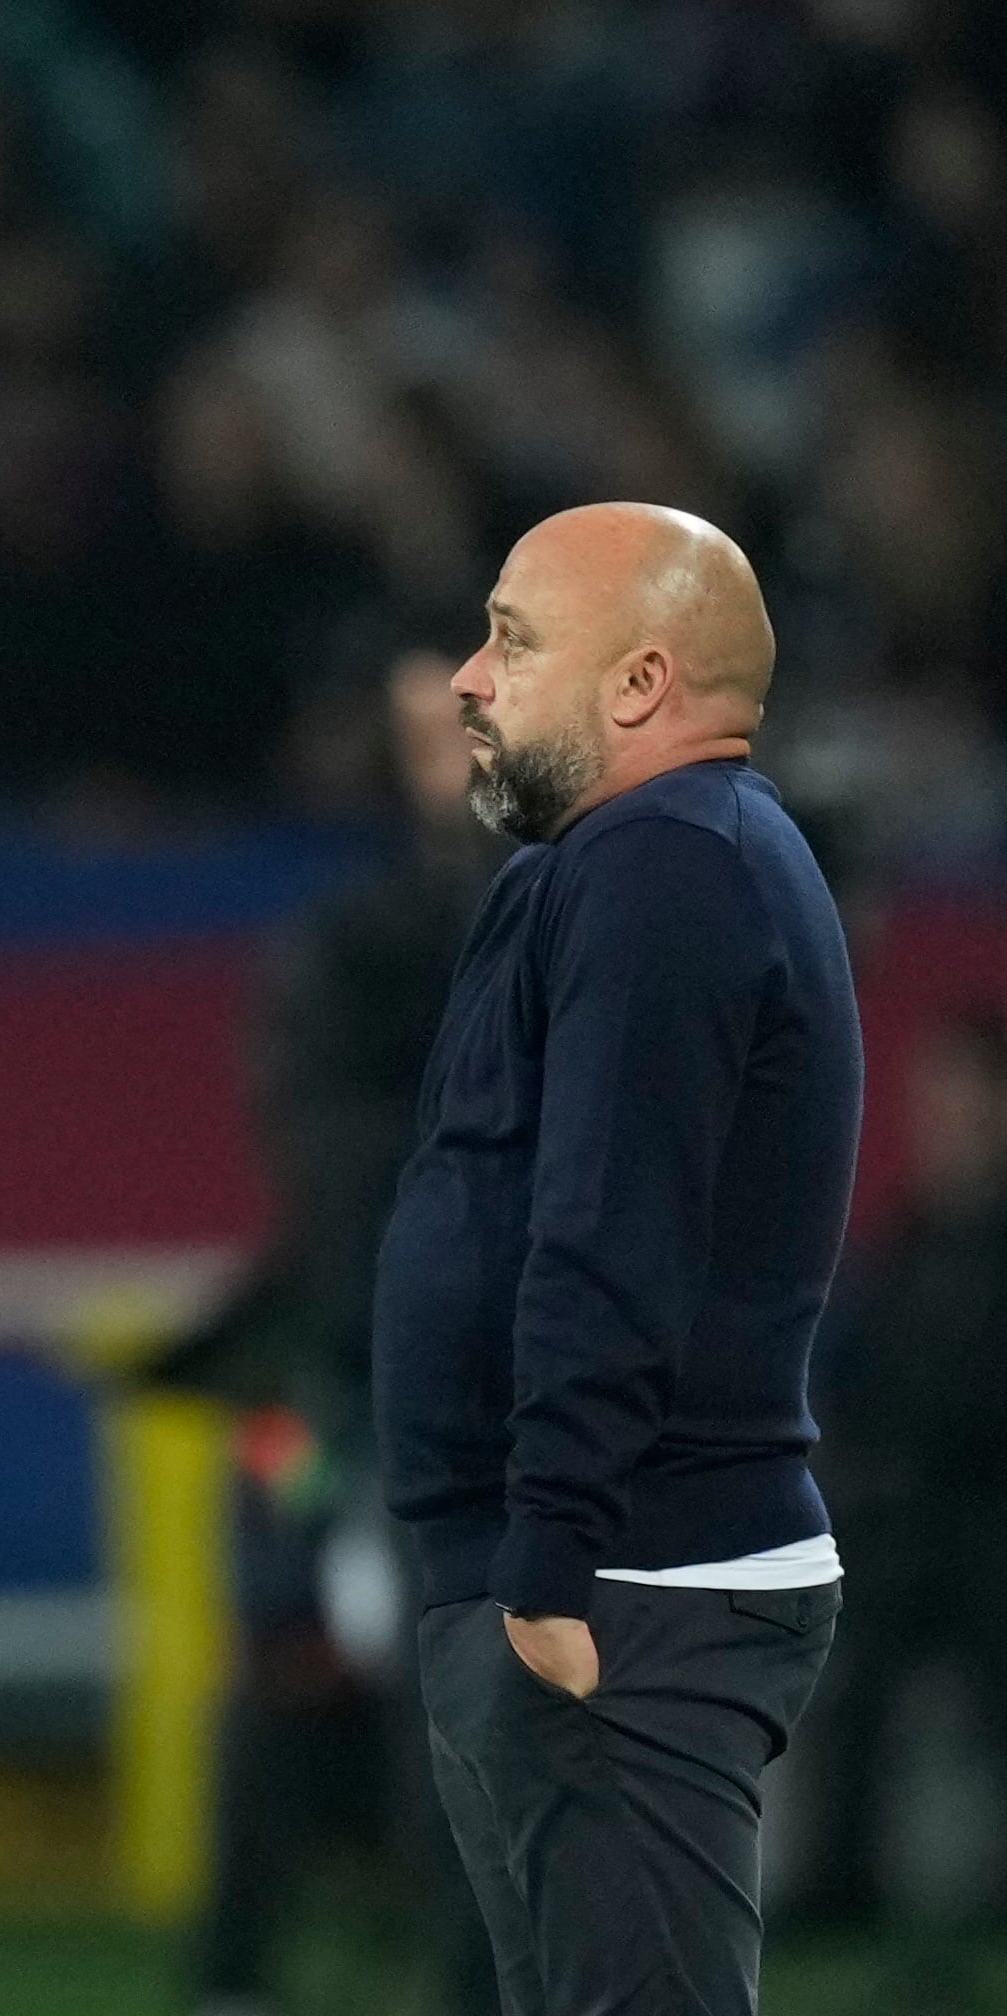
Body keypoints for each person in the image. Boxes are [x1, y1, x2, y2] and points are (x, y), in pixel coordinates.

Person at [373, 503, 859, 2016]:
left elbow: (609, 1229)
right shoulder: (603, 866)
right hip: (594, 1565)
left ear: (640, 684)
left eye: (511, 639)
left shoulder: (671, 866)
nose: (466, 677)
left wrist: (549, 1557)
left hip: (629, 1571)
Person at [169, 646, 504, 2016]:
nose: (446, 751)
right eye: (420, 724)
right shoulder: (355, 950)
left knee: (467, 1724)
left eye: (463, 718)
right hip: (356, 1405)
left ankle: (476, 1986)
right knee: (280, 1687)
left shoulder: (573, 928)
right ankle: (235, 1978)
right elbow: (337, 1185)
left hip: (490, 1410)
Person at [792, 1008, 1007, 1954]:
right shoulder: (909, 1244)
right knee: (842, 1647)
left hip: (987, 1521)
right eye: (936, 1104)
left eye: (968, 1103)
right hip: (905, 1523)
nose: (947, 1124)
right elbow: (858, 1385)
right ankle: (839, 1886)